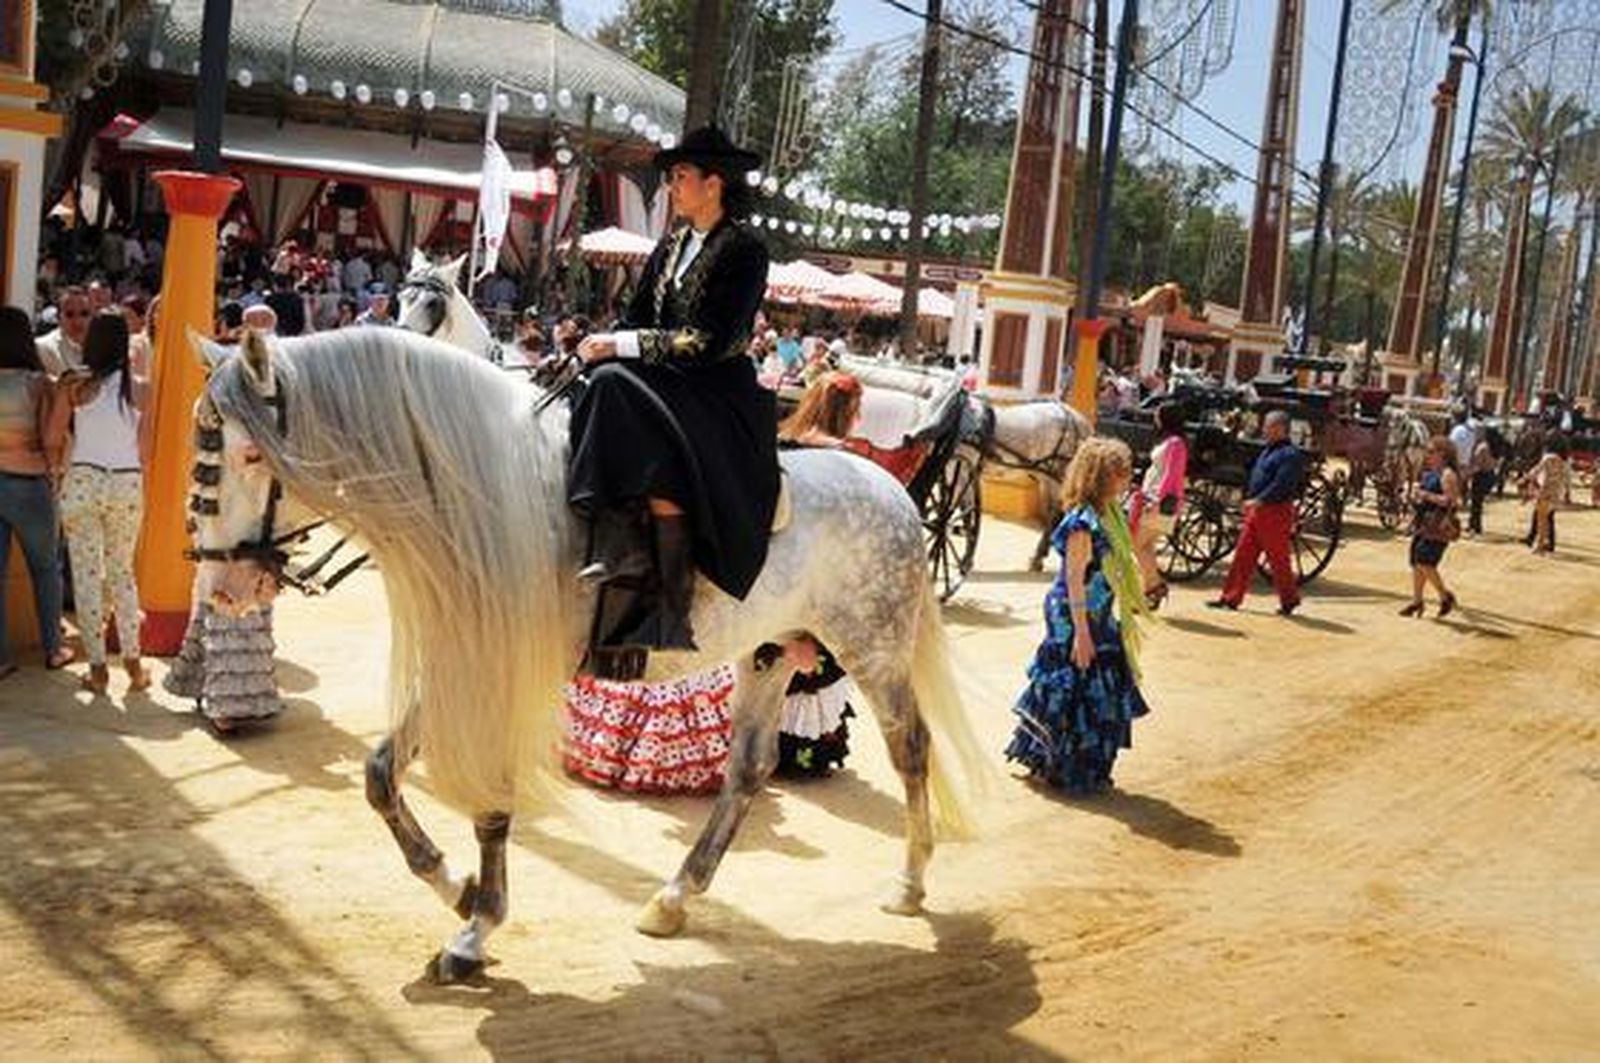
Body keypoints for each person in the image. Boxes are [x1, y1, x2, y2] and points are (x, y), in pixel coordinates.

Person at [567, 125, 775, 680]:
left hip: (718, 391)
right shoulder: (672, 244)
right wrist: (597, 345)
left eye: (680, 176)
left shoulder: (747, 250)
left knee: (614, 384)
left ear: (715, 183)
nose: (672, 186)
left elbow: (713, 341)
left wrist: (620, 346)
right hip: (663, 379)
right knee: (597, 379)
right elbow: (636, 320)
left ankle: (662, 599)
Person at [1005, 437, 1151, 795]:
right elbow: (1074, 579)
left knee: (1097, 684)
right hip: (1075, 614)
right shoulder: (1082, 523)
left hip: (1096, 612)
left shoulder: (1109, 514)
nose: (1127, 479)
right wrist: (1082, 633)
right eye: (1122, 473)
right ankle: (1063, 764)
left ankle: (1082, 764)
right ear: (1103, 477)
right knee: (1076, 683)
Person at [49, 310, 150, 693]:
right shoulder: (140, 387)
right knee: (122, 573)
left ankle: (96, 669)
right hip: (125, 481)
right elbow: (145, 451)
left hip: (83, 479)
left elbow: (54, 436)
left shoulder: (74, 384)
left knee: (87, 575)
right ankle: (134, 665)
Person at [0, 307, 73, 677]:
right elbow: (51, 438)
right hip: (29, 483)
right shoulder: (39, 383)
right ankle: (54, 647)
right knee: (46, 569)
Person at [1208, 409, 1303, 616]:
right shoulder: (1268, 450)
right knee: (1243, 554)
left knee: (1278, 560)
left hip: (1275, 512)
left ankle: (1290, 598)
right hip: (1258, 511)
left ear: (1280, 429)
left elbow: (1282, 484)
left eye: (1268, 426)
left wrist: (1259, 500)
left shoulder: (1289, 454)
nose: (1264, 430)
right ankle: (1230, 597)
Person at [1129, 402, 1188, 610]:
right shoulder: (1171, 442)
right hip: (1154, 500)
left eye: (1157, 414)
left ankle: (1155, 587)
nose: (1154, 417)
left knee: (1138, 545)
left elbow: (1172, 475)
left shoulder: (1175, 443)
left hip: (1159, 503)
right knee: (1146, 547)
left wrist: (1157, 500)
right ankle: (1150, 592)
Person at [1399, 436, 1461, 617]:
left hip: (1438, 526)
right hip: (1424, 524)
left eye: (1431, 451)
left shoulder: (1448, 474)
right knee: (1417, 563)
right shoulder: (1429, 473)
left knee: (1425, 562)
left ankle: (1444, 596)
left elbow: (1450, 501)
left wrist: (1425, 495)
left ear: (1443, 454)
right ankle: (1417, 601)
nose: (1428, 455)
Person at [1526, 435, 1571, 555]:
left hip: (1545, 491)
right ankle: (1544, 544)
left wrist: (1526, 478)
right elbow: (1566, 478)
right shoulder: (1563, 460)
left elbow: (1536, 471)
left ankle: (1540, 545)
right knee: (1547, 519)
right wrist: (1567, 493)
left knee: (1542, 520)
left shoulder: (1547, 457)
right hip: (1556, 492)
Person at [36, 286, 91, 377]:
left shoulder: (103, 346)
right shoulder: (43, 347)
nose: (78, 321)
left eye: (84, 314)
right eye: (69, 314)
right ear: (58, 318)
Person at [1466, 433, 1496, 536]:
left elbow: (1478, 465)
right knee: (1478, 502)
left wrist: (1467, 474)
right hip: (1489, 474)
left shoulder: (1482, 447)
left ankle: (1475, 526)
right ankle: (1474, 524)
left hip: (1481, 476)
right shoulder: (1491, 446)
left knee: (1476, 502)